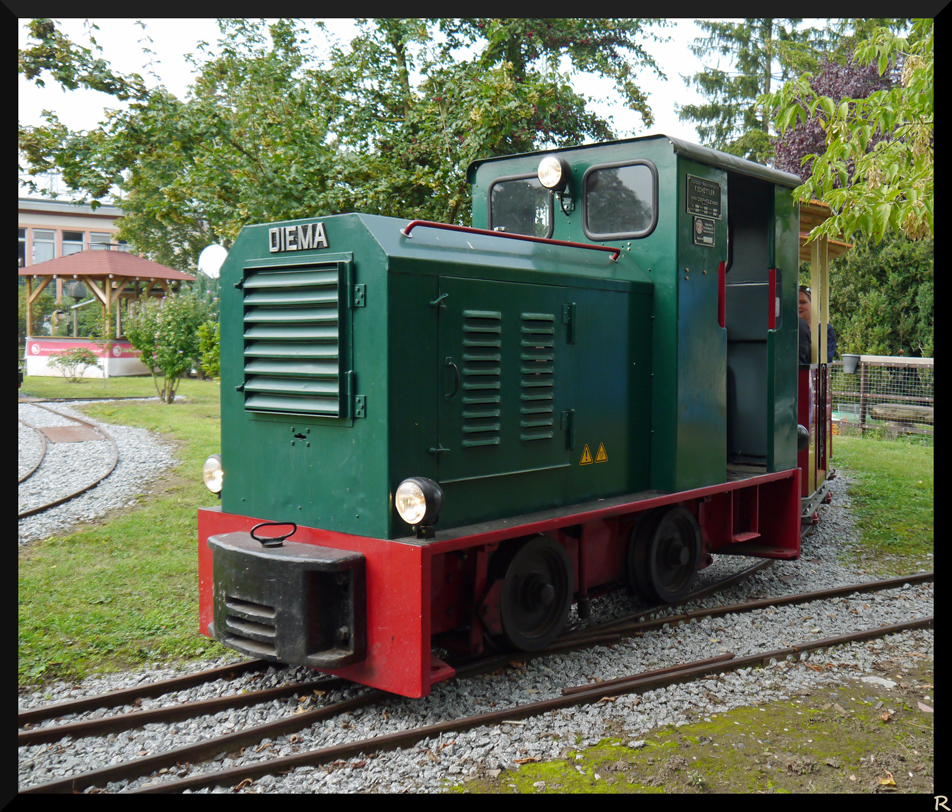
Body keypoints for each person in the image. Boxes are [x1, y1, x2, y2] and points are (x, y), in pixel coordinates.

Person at [798, 285, 836, 363]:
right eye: (795, 302)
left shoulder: (825, 330)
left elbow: (827, 359)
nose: (798, 306)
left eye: (803, 302)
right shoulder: (788, 330)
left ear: (812, 304)